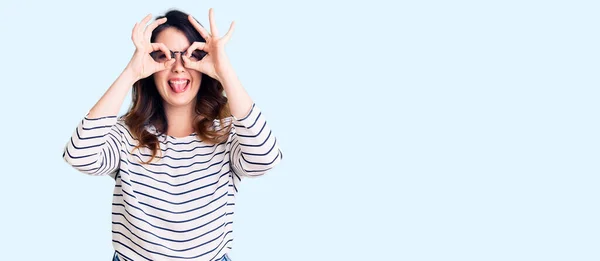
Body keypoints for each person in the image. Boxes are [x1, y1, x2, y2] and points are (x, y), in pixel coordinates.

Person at [62, 8, 283, 261]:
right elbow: (79, 156)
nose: (178, 67)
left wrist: (225, 71)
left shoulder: (228, 133)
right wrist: (131, 72)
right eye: (163, 56)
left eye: (192, 55)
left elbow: (265, 160)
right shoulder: (127, 135)